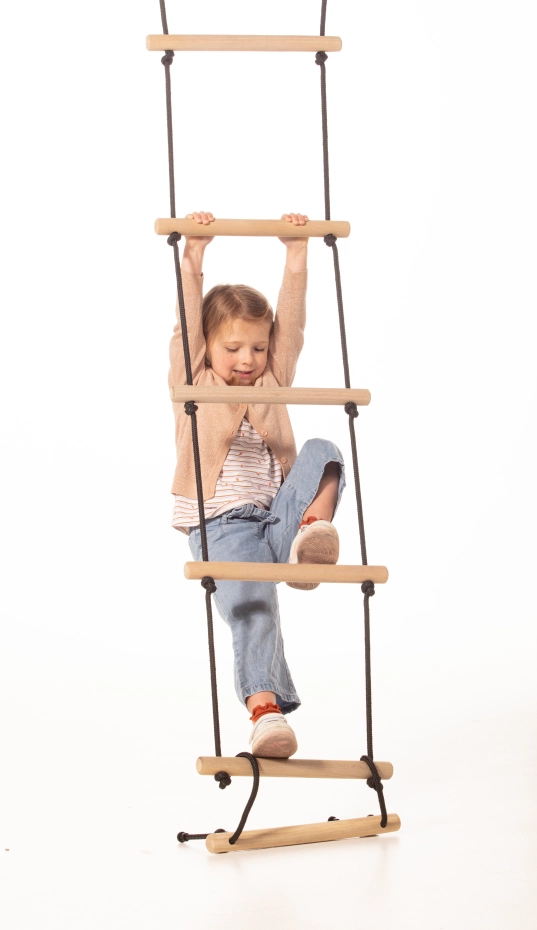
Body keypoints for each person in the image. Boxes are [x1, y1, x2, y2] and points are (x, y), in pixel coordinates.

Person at [169, 211, 346, 758]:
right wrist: (193, 255)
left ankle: (311, 535)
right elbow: (185, 328)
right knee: (255, 607)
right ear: (209, 349)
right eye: (233, 348)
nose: (248, 359)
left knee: (325, 452)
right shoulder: (194, 382)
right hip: (223, 527)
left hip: (276, 521)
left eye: (258, 349)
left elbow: (291, 328)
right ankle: (266, 714)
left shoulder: (272, 380)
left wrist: (296, 255)